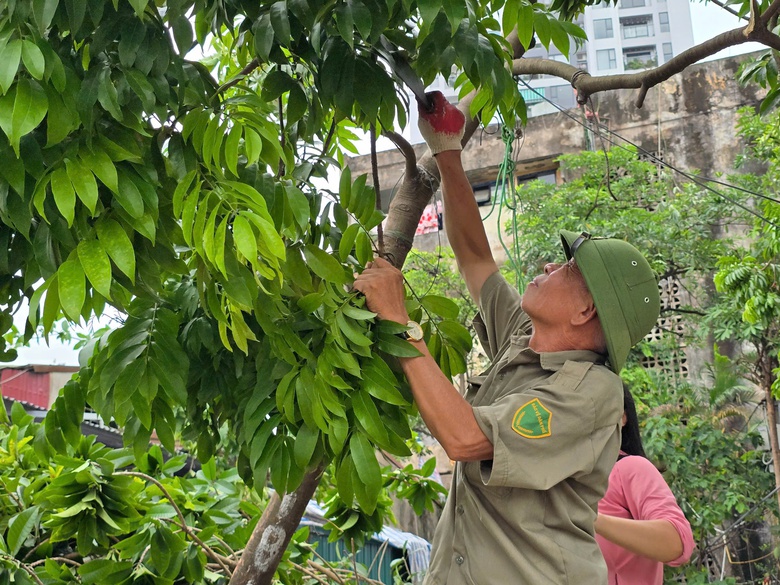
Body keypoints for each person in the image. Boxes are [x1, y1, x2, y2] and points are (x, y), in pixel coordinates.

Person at [352, 91, 661, 584]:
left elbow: (466, 438)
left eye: (567, 268)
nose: (547, 265)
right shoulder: (523, 337)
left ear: (586, 310)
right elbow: (475, 257)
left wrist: (399, 320)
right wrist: (448, 150)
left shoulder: (591, 393)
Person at [595, 385, 695, 584]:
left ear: (622, 417)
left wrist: (589, 517)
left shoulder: (629, 468)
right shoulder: (562, 479)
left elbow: (677, 542)